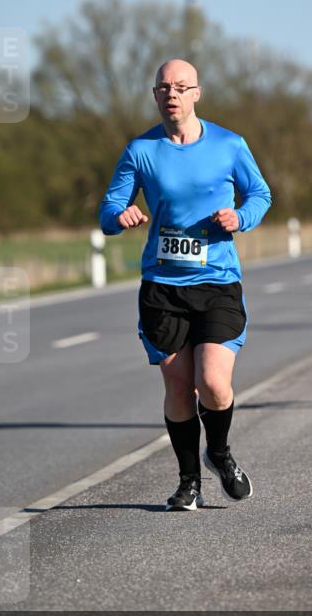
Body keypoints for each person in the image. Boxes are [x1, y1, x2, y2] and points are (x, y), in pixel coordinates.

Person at [99, 59, 271, 510]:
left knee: (212, 383)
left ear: (197, 92)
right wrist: (121, 216)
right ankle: (188, 481)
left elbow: (260, 194)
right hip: (163, 286)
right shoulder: (141, 150)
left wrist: (241, 217)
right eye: (163, 87)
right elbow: (109, 208)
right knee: (179, 389)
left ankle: (220, 453)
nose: (171, 94)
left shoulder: (230, 145)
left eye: (180, 86)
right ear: (155, 95)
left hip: (217, 280)